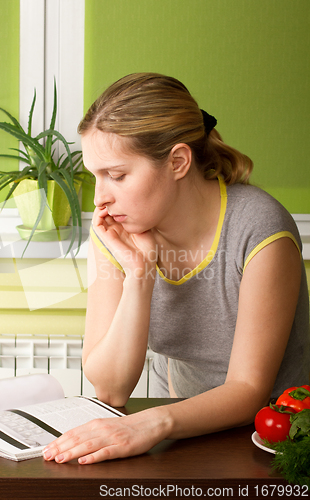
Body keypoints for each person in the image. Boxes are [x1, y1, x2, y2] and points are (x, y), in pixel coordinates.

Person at [43, 73, 310, 465]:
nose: (100, 198)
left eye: (116, 175)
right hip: (187, 431)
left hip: (277, 440)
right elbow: (110, 388)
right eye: (95, 176)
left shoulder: (259, 229)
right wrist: (139, 275)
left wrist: (150, 424)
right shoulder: (114, 232)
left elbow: (249, 389)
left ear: (178, 161)